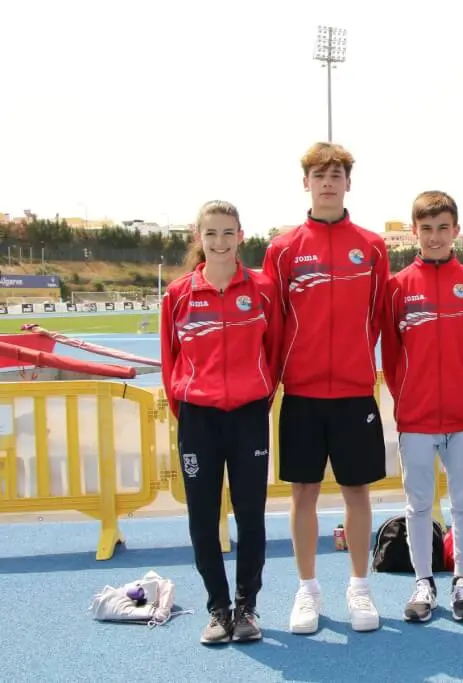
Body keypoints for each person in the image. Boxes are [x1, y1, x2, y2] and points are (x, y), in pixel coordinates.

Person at [261, 142, 390, 634]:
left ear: (349, 183)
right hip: (302, 393)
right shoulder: (283, 247)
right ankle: (307, 590)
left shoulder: (373, 246)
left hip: (355, 391)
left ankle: (360, 586)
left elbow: (377, 319)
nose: (329, 181)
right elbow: (274, 323)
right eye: (320, 174)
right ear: (306, 183)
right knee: (304, 492)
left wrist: (355, 359)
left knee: (357, 491)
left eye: (337, 173)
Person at [160, 200, 282, 645]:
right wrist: (192, 408)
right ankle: (218, 608)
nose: (219, 242)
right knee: (203, 519)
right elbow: (169, 359)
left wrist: (256, 396)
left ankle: (247, 608)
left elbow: (275, 349)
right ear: (198, 238)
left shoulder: (264, 288)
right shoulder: (177, 295)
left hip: (249, 415)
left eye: (228, 233)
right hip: (198, 420)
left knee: (251, 517)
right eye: (210, 234)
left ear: (241, 237)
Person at [380, 191, 463, 623]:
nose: (435, 236)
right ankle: (423, 582)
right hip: (417, 416)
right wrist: (410, 395)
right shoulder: (397, 287)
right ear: (414, 232)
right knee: (418, 504)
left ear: (456, 230)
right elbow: (391, 355)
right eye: (426, 228)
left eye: (443, 227)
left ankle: (462, 580)